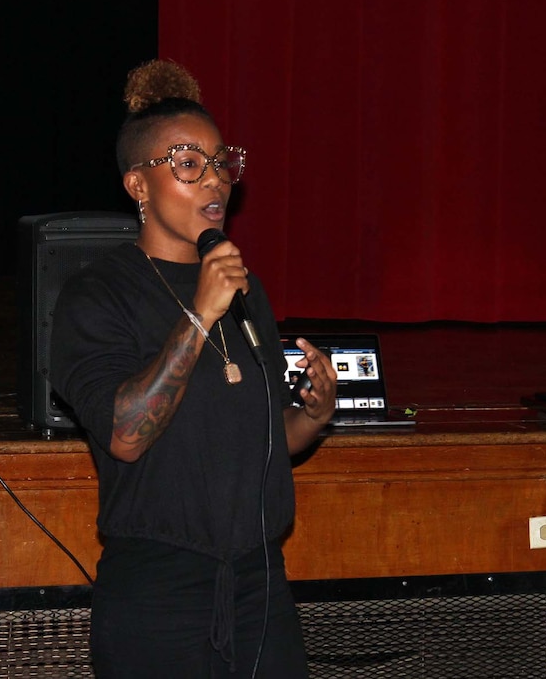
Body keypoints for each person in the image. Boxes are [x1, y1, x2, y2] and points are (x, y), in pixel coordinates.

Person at [50, 59, 338, 678]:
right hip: (161, 593)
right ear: (138, 186)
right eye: (188, 164)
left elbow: (260, 439)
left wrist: (312, 416)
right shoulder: (96, 297)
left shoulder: (246, 290)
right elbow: (126, 435)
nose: (214, 180)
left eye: (220, 163)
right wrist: (201, 315)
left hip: (260, 585)